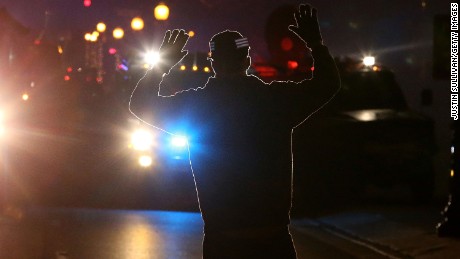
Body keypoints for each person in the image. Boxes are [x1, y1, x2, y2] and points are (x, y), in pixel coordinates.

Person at [129, 3, 340, 258]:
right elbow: (328, 84)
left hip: (222, 242)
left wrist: (163, 65)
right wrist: (315, 44)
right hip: (273, 241)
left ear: (213, 63)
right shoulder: (274, 102)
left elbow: (141, 104)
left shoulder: (197, 106)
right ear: (247, 60)